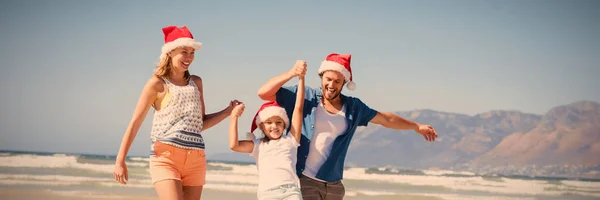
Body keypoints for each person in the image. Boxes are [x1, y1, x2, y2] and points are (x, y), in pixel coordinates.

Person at [257, 54, 438, 200]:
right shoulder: (305, 96)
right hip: (304, 181)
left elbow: (386, 119)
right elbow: (264, 93)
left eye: (337, 81)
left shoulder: (354, 107)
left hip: (334, 186)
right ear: (321, 77)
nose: (331, 85)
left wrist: (416, 126)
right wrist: (291, 73)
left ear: (344, 83)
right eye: (328, 79)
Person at [113, 25, 239, 200]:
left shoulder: (196, 83)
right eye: (184, 52)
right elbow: (135, 123)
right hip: (165, 158)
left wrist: (228, 111)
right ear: (170, 52)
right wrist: (120, 160)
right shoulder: (157, 85)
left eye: (192, 52)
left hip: (196, 159)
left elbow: (199, 124)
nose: (189, 57)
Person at [228, 60, 307, 200]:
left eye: (278, 122)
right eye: (269, 123)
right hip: (267, 194)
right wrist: (234, 117)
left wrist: (301, 77)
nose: (274, 126)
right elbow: (234, 145)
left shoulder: (291, 140)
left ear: (284, 124)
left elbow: (298, 108)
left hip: (291, 192)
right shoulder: (258, 145)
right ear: (262, 127)